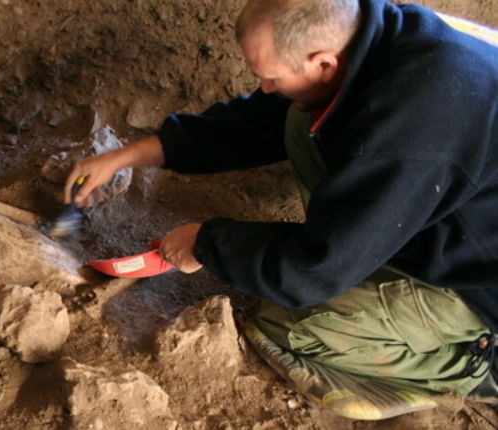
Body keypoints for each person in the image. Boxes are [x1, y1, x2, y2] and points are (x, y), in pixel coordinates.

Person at [65, 0, 498, 410]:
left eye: (271, 77)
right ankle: (368, 241)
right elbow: (261, 119)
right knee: (298, 117)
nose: (264, 87)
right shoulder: (371, 33)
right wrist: (131, 154)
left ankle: (471, 366)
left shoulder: (406, 134)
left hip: (480, 281)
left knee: (288, 325)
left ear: (324, 62)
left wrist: (208, 242)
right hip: (457, 201)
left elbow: (314, 271)